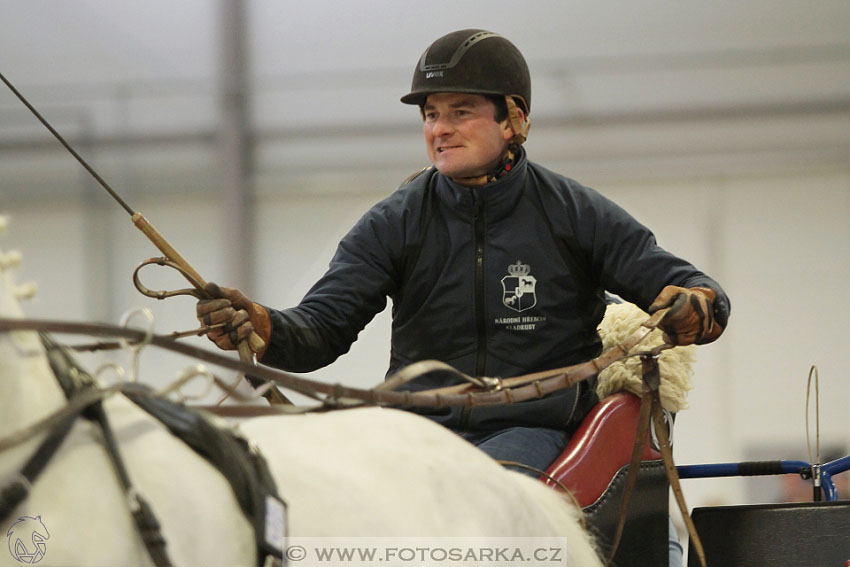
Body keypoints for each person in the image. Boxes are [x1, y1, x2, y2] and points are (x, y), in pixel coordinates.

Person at [197, 29, 729, 566]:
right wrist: (261, 324)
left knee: (481, 513)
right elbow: (322, 328)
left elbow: (684, 283)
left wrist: (697, 304)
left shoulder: (573, 212)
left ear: (513, 119)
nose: (439, 129)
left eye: (460, 111)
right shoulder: (395, 220)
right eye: (430, 114)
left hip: (532, 427)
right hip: (415, 427)